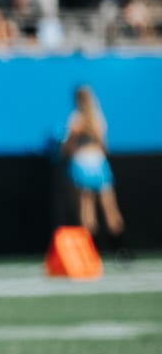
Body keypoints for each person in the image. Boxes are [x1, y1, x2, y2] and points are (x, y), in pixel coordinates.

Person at [60, 85, 128, 260]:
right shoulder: (98, 118)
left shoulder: (75, 119)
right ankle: (121, 251)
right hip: (98, 162)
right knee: (111, 210)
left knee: (86, 211)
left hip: (82, 163)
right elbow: (104, 146)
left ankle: (91, 254)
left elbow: (67, 148)